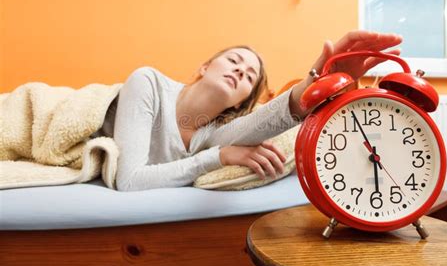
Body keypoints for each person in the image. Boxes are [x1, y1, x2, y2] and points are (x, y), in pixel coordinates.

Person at [95, 30, 402, 191]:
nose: (241, 70)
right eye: (233, 61)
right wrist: (215, 158)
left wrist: (313, 85)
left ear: (241, 102)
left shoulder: (214, 133)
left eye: (250, 75)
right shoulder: (148, 82)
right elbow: (130, 180)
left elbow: (264, 121)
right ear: (205, 66)